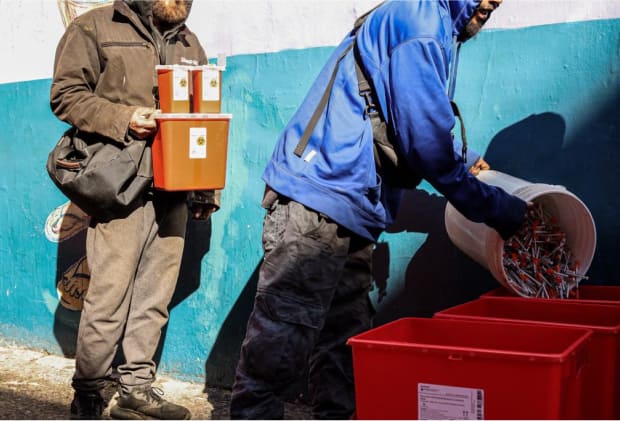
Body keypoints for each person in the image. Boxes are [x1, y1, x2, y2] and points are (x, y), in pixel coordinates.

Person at [230, 0, 527, 419]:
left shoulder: (433, 25)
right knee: (284, 336)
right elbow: (426, 145)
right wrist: (498, 209)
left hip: (355, 202)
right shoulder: (421, 24)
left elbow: (408, 112)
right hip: (321, 193)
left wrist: (466, 154)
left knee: (343, 337)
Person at [50, 0, 219, 419]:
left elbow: (202, 119)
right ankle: (89, 391)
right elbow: (66, 96)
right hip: (119, 184)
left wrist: (203, 191)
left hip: (174, 186)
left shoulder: (188, 42)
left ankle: (135, 388)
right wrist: (125, 117)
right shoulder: (94, 28)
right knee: (108, 295)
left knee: (154, 296)